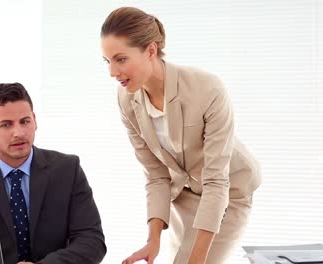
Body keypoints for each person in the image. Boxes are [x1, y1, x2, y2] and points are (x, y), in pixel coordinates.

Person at [100, 7, 261, 264]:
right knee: (175, 258)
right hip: (183, 192)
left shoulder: (206, 88)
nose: (112, 72)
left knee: (193, 260)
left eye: (120, 59)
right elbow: (156, 174)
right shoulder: (127, 99)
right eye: (107, 62)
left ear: (151, 50)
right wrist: (152, 241)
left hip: (229, 190)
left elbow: (217, 182)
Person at [0, 83, 106, 264]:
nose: (19, 133)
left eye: (25, 121)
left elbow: (92, 241)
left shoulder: (67, 169)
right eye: (6, 125)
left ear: (35, 121)